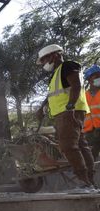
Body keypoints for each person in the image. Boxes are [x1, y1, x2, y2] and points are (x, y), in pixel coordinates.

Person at [35, 44, 96, 190]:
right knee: (81, 145)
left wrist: (70, 104)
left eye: (44, 60)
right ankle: (90, 181)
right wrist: (42, 108)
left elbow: (76, 85)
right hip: (65, 113)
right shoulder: (56, 74)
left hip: (69, 112)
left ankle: (84, 182)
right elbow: (53, 95)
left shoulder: (68, 66)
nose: (43, 64)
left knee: (68, 146)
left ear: (54, 55)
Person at [83, 65, 100, 161]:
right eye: (96, 76)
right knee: (90, 159)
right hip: (89, 132)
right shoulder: (83, 96)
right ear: (89, 80)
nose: (99, 78)